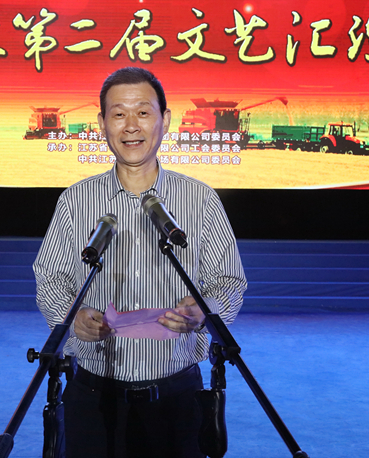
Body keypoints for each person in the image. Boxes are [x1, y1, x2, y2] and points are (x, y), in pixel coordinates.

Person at [34, 67, 247, 458]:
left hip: (176, 398)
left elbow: (228, 281)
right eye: (118, 114)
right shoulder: (75, 202)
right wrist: (73, 316)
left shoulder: (200, 200)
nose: (131, 126)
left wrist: (205, 309)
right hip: (92, 397)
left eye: (143, 113)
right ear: (102, 123)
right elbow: (50, 279)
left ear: (165, 120)